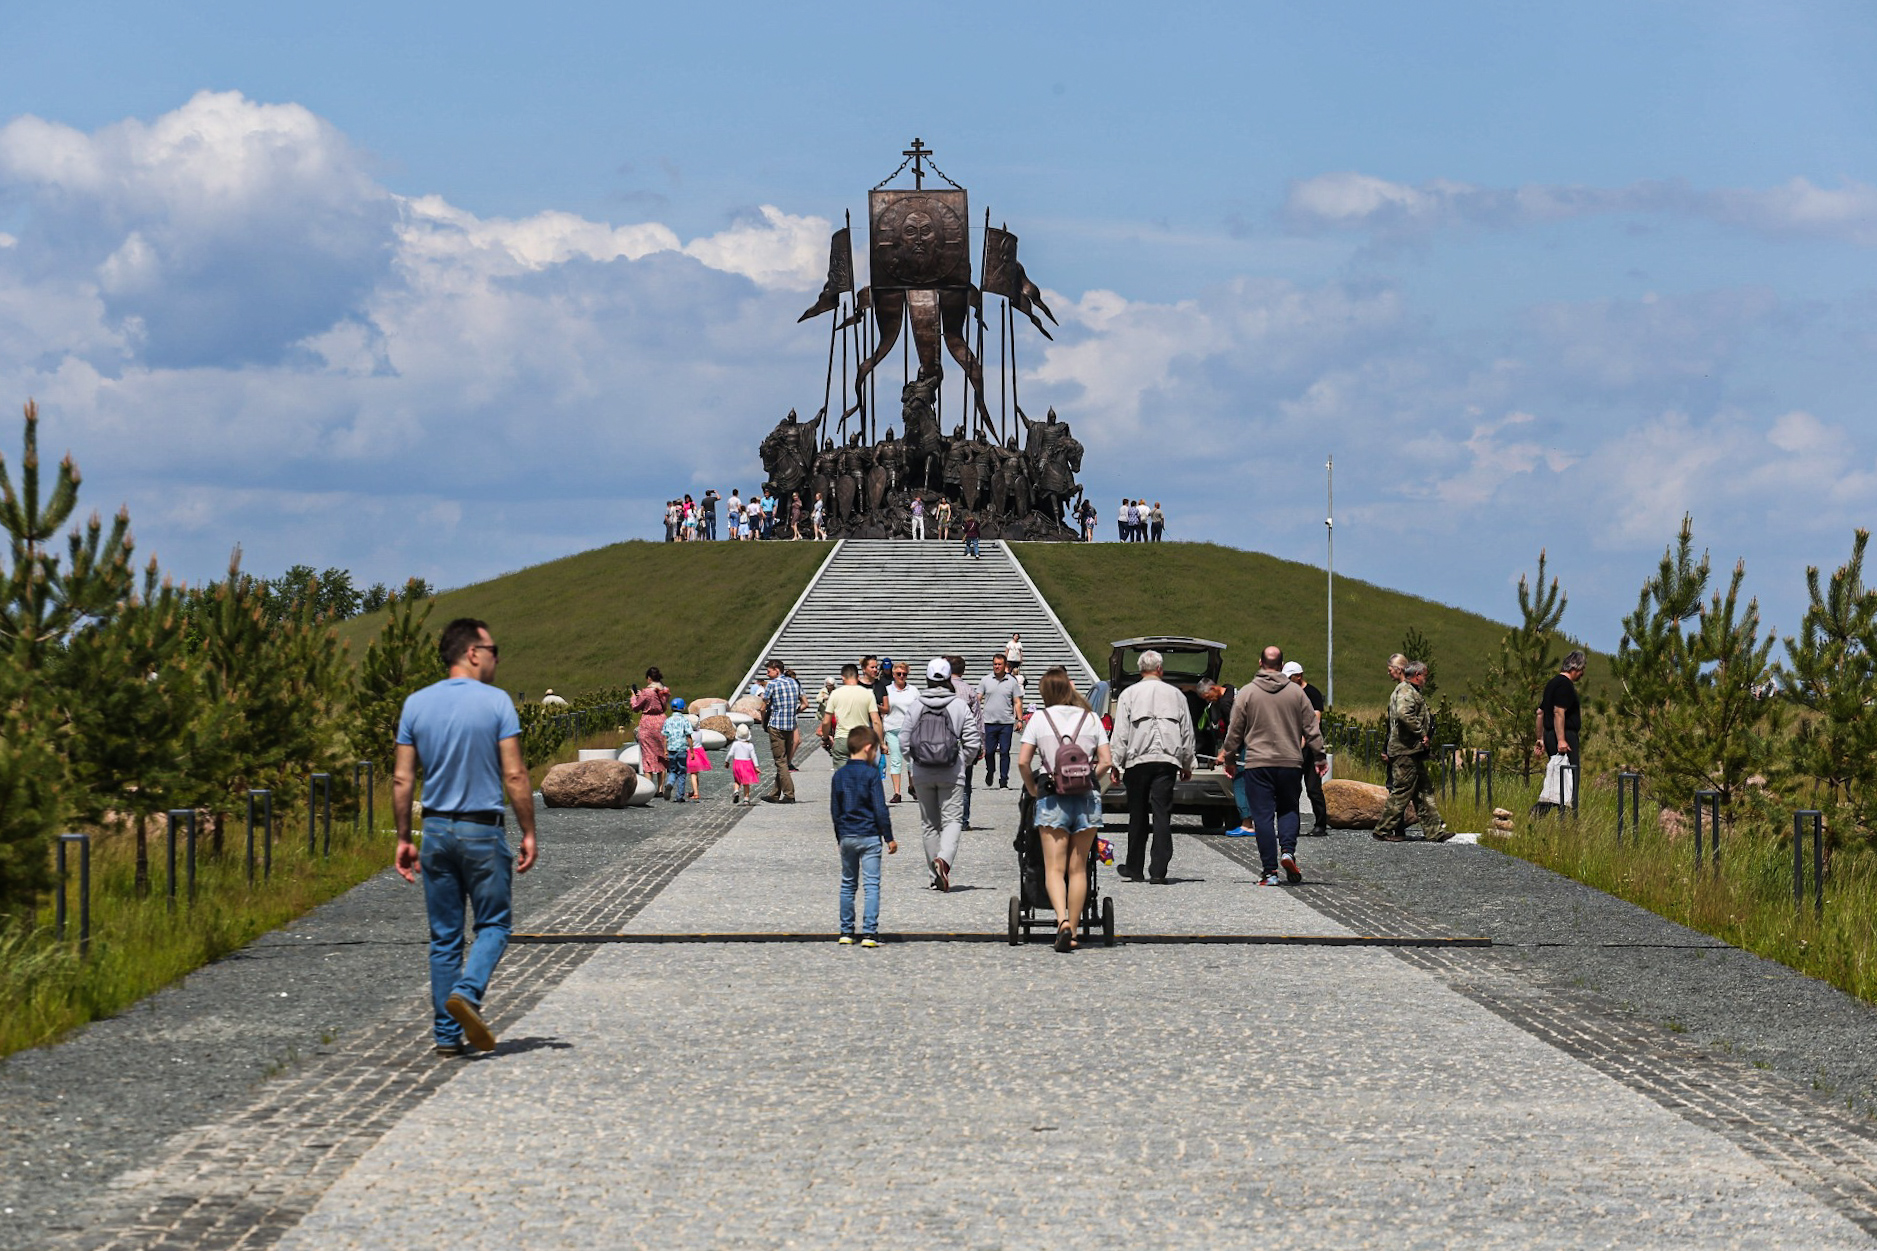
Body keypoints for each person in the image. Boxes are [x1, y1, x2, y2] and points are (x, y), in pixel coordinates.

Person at [393, 617, 536, 1056]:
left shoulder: (415, 704)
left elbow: (402, 780)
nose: (496, 658)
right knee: (493, 924)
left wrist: (403, 837)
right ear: (473, 653)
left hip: (434, 830)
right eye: (493, 650)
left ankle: (446, 1037)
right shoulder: (496, 703)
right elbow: (513, 773)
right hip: (481, 829)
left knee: (444, 937)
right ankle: (469, 993)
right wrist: (529, 830)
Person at [1018, 666, 1114, 953]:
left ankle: (1062, 922)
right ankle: (1073, 930)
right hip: (1086, 798)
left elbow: (1023, 761)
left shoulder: (1039, 719)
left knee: (1054, 868)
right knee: (1078, 869)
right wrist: (1088, 780)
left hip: (1051, 797)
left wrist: (1034, 789)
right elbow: (1106, 761)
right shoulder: (1092, 718)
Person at [1220, 647, 1328, 886]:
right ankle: (1288, 851)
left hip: (1259, 763)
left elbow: (1234, 731)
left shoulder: (1247, 693)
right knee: (1289, 808)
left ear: (1260, 662)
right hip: (1290, 762)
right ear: (1281, 665)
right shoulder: (1297, 694)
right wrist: (1320, 757)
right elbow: (1312, 728)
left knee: (1263, 816)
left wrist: (1229, 759)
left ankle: (1270, 872)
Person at [1109, 649, 1196, 883]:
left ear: (1141, 669)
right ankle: (1158, 871)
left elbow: (1121, 733)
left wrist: (1115, 763)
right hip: (1167, 760)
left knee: (1137, 814)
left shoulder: (1129, 694)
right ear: (1160, 669)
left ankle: (1134, 868)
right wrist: (1187, 762)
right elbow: (1186, 731)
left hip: (1137, 760)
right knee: (1162, 814)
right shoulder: (1176, 695)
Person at [905, 657, 982, 892]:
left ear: (927, 679)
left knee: (929, 824)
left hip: (922, 772)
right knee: (952, 820)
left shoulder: (916, 704)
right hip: (952, 771)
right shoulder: (959, 705)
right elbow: (972, 741)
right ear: (949, 678)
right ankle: (944, 862)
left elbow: (903, 741)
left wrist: (915, 762)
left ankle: (933, 876)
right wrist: (962, 762)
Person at [829, 725, 897, 945]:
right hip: (869, 836)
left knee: (848, 884)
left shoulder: (839, 776)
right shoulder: (871, 775)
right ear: (868, 748)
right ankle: (869, 933)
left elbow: (835, 810)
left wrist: (840, 837)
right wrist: (889, 837)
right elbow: (880, 808)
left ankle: (846, 932)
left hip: (847, 835)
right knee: (871, 885)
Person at [1374, 660, 1447, 842]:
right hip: (1405, 750)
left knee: (1424, 790)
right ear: (1417, 675)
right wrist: (1422, 734)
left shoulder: (1408, 690)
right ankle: (1382, 830)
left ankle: (1434, 832)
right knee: (1402, 790)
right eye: (1425, 676)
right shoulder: (1406, 691)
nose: (1426, 680)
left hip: (1412, 751)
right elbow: (1404, 714)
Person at [1534, 650, 1587, 815]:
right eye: (1582, 669)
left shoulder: (1552, 683)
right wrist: (1562, 739)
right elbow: (1558, 712)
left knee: (1556, 776)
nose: (1582, 674)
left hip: (1550, 735)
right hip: (1564, 736)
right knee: (1571, 776)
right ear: (1574, 668)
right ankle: (1570, 818)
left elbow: (1540, 712)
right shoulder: (1565, 685)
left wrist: (1540, 738)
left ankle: (1539, 814)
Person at [1284, 661, 1331, 837]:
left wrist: (1306, 740)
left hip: (1309, 748)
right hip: (1292, 747)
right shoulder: (1287, 693)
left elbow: (1315, 719)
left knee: (1313, 788)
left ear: (1299, 676)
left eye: (1291, 678)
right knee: (1292, 788)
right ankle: (1291, 824)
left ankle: (1320, 824)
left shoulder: (1312, 693)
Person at [945, 654, 984, 830]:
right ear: (963, 670)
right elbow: (978, 721)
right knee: (965, 783)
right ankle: (963, 820)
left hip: (943, 741)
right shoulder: (969, 691)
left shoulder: (941, 689)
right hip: (966, 742)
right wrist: (981, 744)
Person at [820, 663, 882, 770]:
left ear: (842, 677)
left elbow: (826, 721)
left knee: (842, 778)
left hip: (842, 738)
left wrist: (825, 738)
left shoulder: (835, 694)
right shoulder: (867, 694)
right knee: (863, 775)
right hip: (862, 739)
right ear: (858, 677)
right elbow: (876, 721)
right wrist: (881, 743)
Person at [977, 654, 1024, 789]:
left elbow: (1017, 702)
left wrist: (1019, 720)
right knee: (989, 752)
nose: (997, 666)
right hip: (989, 722)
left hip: (1006, 723)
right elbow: (978, 698)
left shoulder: (1012, 682)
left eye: (999, 664)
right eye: (995, 664)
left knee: (1004, 752)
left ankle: (1004, 779)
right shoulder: (986, 680)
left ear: (1005, 666)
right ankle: (990, 771)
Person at [760, 657, 802, 804]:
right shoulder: (794, 683)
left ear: (777, 670)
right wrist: (793, 712)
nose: (767, 674)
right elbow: (804, 703)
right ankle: (775, 793)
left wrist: (763, 721)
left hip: (776, 725)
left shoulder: (772, 684)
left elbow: (763, 706)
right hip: (790, 726)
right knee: (783, 759)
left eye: (769, 671)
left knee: (780, 761)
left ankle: (789, 794)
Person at [882, 661, 918, 803]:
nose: (901, 676)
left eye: (904, 674)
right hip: (892, 728)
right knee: (896, 761)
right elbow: (882, 709)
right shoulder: (887, 690)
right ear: (893, 674)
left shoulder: (913, 690)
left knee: (912, 761)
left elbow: (919, 708)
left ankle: (912, 786)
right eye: (898, 673)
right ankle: (897, 792)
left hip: (910, 729)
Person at [631, 668, 670, 798]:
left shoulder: (647, 692)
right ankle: (660, 788)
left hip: (648, 722)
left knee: (648, 754)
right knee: (661, 754)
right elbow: (664, 707)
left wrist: (634, 697)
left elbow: (636, 707)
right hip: (661, 721)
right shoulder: (664, 691)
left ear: (649, 678)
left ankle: (649, 788)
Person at [663, 698, 696, 803]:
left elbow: (665, 737)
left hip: (671, 749)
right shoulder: (685, 720)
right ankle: (679, 796)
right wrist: (691, 750)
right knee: (682, 772)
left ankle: (670, 783)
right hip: (682, 750)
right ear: (683, 708)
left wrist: (665, 750)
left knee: (672, 771)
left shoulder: (668, 721)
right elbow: (688, 736)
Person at [728, 724, 761, 804]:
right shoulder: (750, 745)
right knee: (746, 783)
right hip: (747, 764)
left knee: (737, 780)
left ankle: (736, 791)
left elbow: (730, 754)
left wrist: (726, 761)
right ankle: (746, 798)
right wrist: (756, 766)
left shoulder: (735, 744)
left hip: (737, 764)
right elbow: (753, 756)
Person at [684, 714, 712, 799]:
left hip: (692, 753)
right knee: (696, 774)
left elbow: (687, 743)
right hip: (700, 752)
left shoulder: (689, 734)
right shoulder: (699, 732)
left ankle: (696, 793)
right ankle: (694, 790)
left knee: (693, 774)